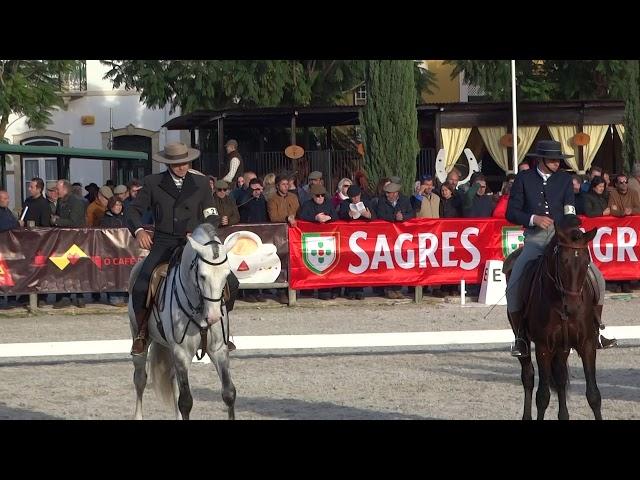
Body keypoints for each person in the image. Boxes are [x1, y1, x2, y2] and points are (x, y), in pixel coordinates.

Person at [505, 140, 615, 357]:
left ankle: (597, 329)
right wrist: (533, 218)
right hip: (536, 238)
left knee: (597, 279)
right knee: (515, 283)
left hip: (562, 237)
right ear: (542, 160)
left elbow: (569, 209)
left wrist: (573, 227)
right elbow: (511, 212)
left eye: (558, 160)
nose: (557, 164)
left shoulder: (564, 180)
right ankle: (520, 338)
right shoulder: (524, 179)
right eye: (554, 160)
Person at [125, 142, 226, 356]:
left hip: (195, 243)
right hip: (164, 242)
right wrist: (140, 231)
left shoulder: (200, 182)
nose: (181, 167)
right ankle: (142, 333)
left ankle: (223, 332)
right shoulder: (153, 182)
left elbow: (212, 214)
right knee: (142, 283)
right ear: (169, 164)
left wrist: (202, 232)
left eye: (184, 162)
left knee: (231, 282)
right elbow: (133, 211)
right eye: (176, 163)